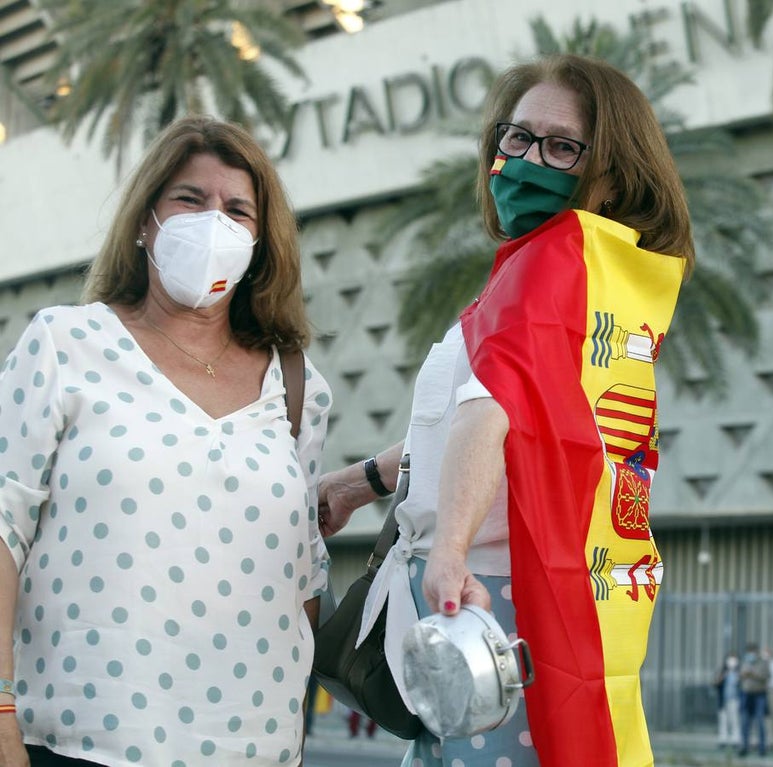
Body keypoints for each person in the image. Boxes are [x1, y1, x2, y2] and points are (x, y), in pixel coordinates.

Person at [317, 53, 693, 767]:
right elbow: (502, 425)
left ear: (610, 171)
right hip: (534, 594)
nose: (525, 160)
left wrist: (451, 550)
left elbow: (487, 415)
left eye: (560, 146)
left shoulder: (545, 265)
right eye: (515, 138)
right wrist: (357, 481)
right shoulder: (593, 283)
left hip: (482, 600)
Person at [0, 115, 332, 766]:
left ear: (261, 243)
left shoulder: (298, 386)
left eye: (238, 209)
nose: (213, 222)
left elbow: (303, 575)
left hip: (253, 747)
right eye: (189, 198)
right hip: (74, 741)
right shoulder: (65, 342)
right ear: (145, 220)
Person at [738, 642, 771, 756]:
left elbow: (766, 676)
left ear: (757, 652)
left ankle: (762, 748)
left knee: (760, 721)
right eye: (749, 652)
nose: (750, 654)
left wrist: (752, 674)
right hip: (746, 694)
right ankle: (744, 746)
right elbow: (740, 676)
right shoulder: (745, 662)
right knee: (745, 721)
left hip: (759, 695)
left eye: (752, 652)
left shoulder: (763, 663)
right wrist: (743, 674)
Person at [714, 652, 742, 750]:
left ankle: (736, 740)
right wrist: (722, 677)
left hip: (735, 699)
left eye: (734, 659)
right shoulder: (722, 671)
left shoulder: (739, 672)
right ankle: (723, 740)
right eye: (730, 659)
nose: (732, 662)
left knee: (734, 720)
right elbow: (715, 683)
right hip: (723, 700)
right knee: (723, 720)